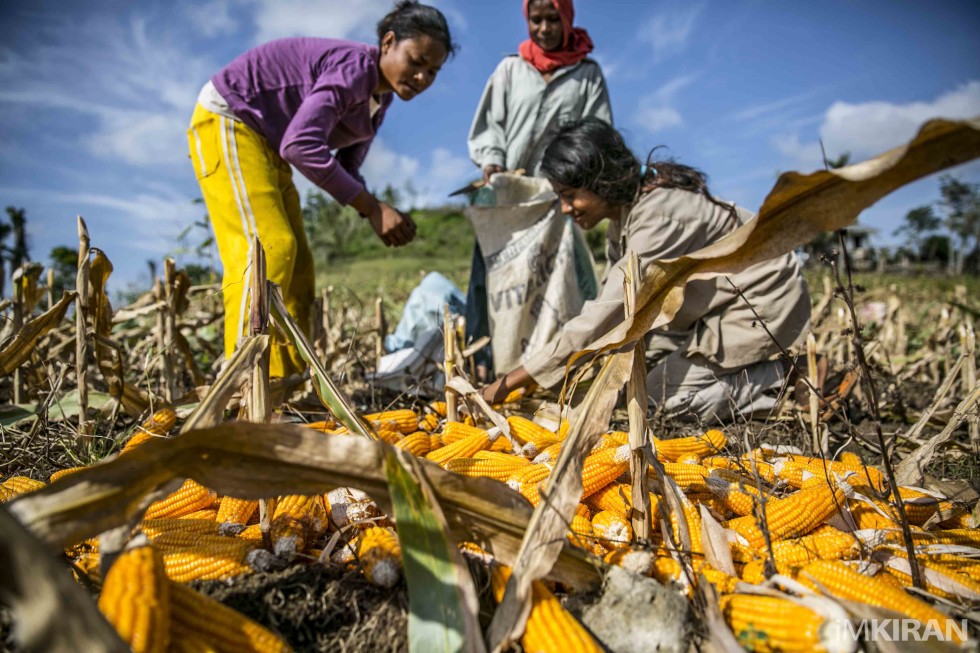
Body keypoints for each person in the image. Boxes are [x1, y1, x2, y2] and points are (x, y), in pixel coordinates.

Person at [187, 1, 456, 377]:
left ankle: (287, 382)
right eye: (416, 61)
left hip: (267, 145)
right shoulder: (354, 68)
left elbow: (347, 166)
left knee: (300, 270)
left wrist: (377, 208)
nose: (423, 77)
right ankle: (240, 379)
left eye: (433, 71)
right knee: (269, 249)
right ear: (388, 42)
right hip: (231, 119)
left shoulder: (379, 101)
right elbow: (300, 145)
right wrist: (372, 208)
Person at [481, 118, 812, 423]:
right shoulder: (624, 218)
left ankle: (783, 376)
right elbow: (617, 308)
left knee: (655, 400)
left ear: (600, 181)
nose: (565, 209)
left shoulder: (658, 216)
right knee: (628, 380)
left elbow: (606, 315)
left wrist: (509, 382)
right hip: (712, 310)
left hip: (760, 301)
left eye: (570, 196)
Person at [464, 0, 612, 380]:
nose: (544, 28)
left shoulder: (587, 75)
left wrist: (573, 177)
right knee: (490, 275)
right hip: (508, 197)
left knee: (563, 275)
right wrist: (493, 161)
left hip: (556, 198)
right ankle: (483, 362)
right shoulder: (511, 69)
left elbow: (596, 133)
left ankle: (563, 362)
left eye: (552, 20)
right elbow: (490, 126)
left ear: (567, 19)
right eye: (536, 20)